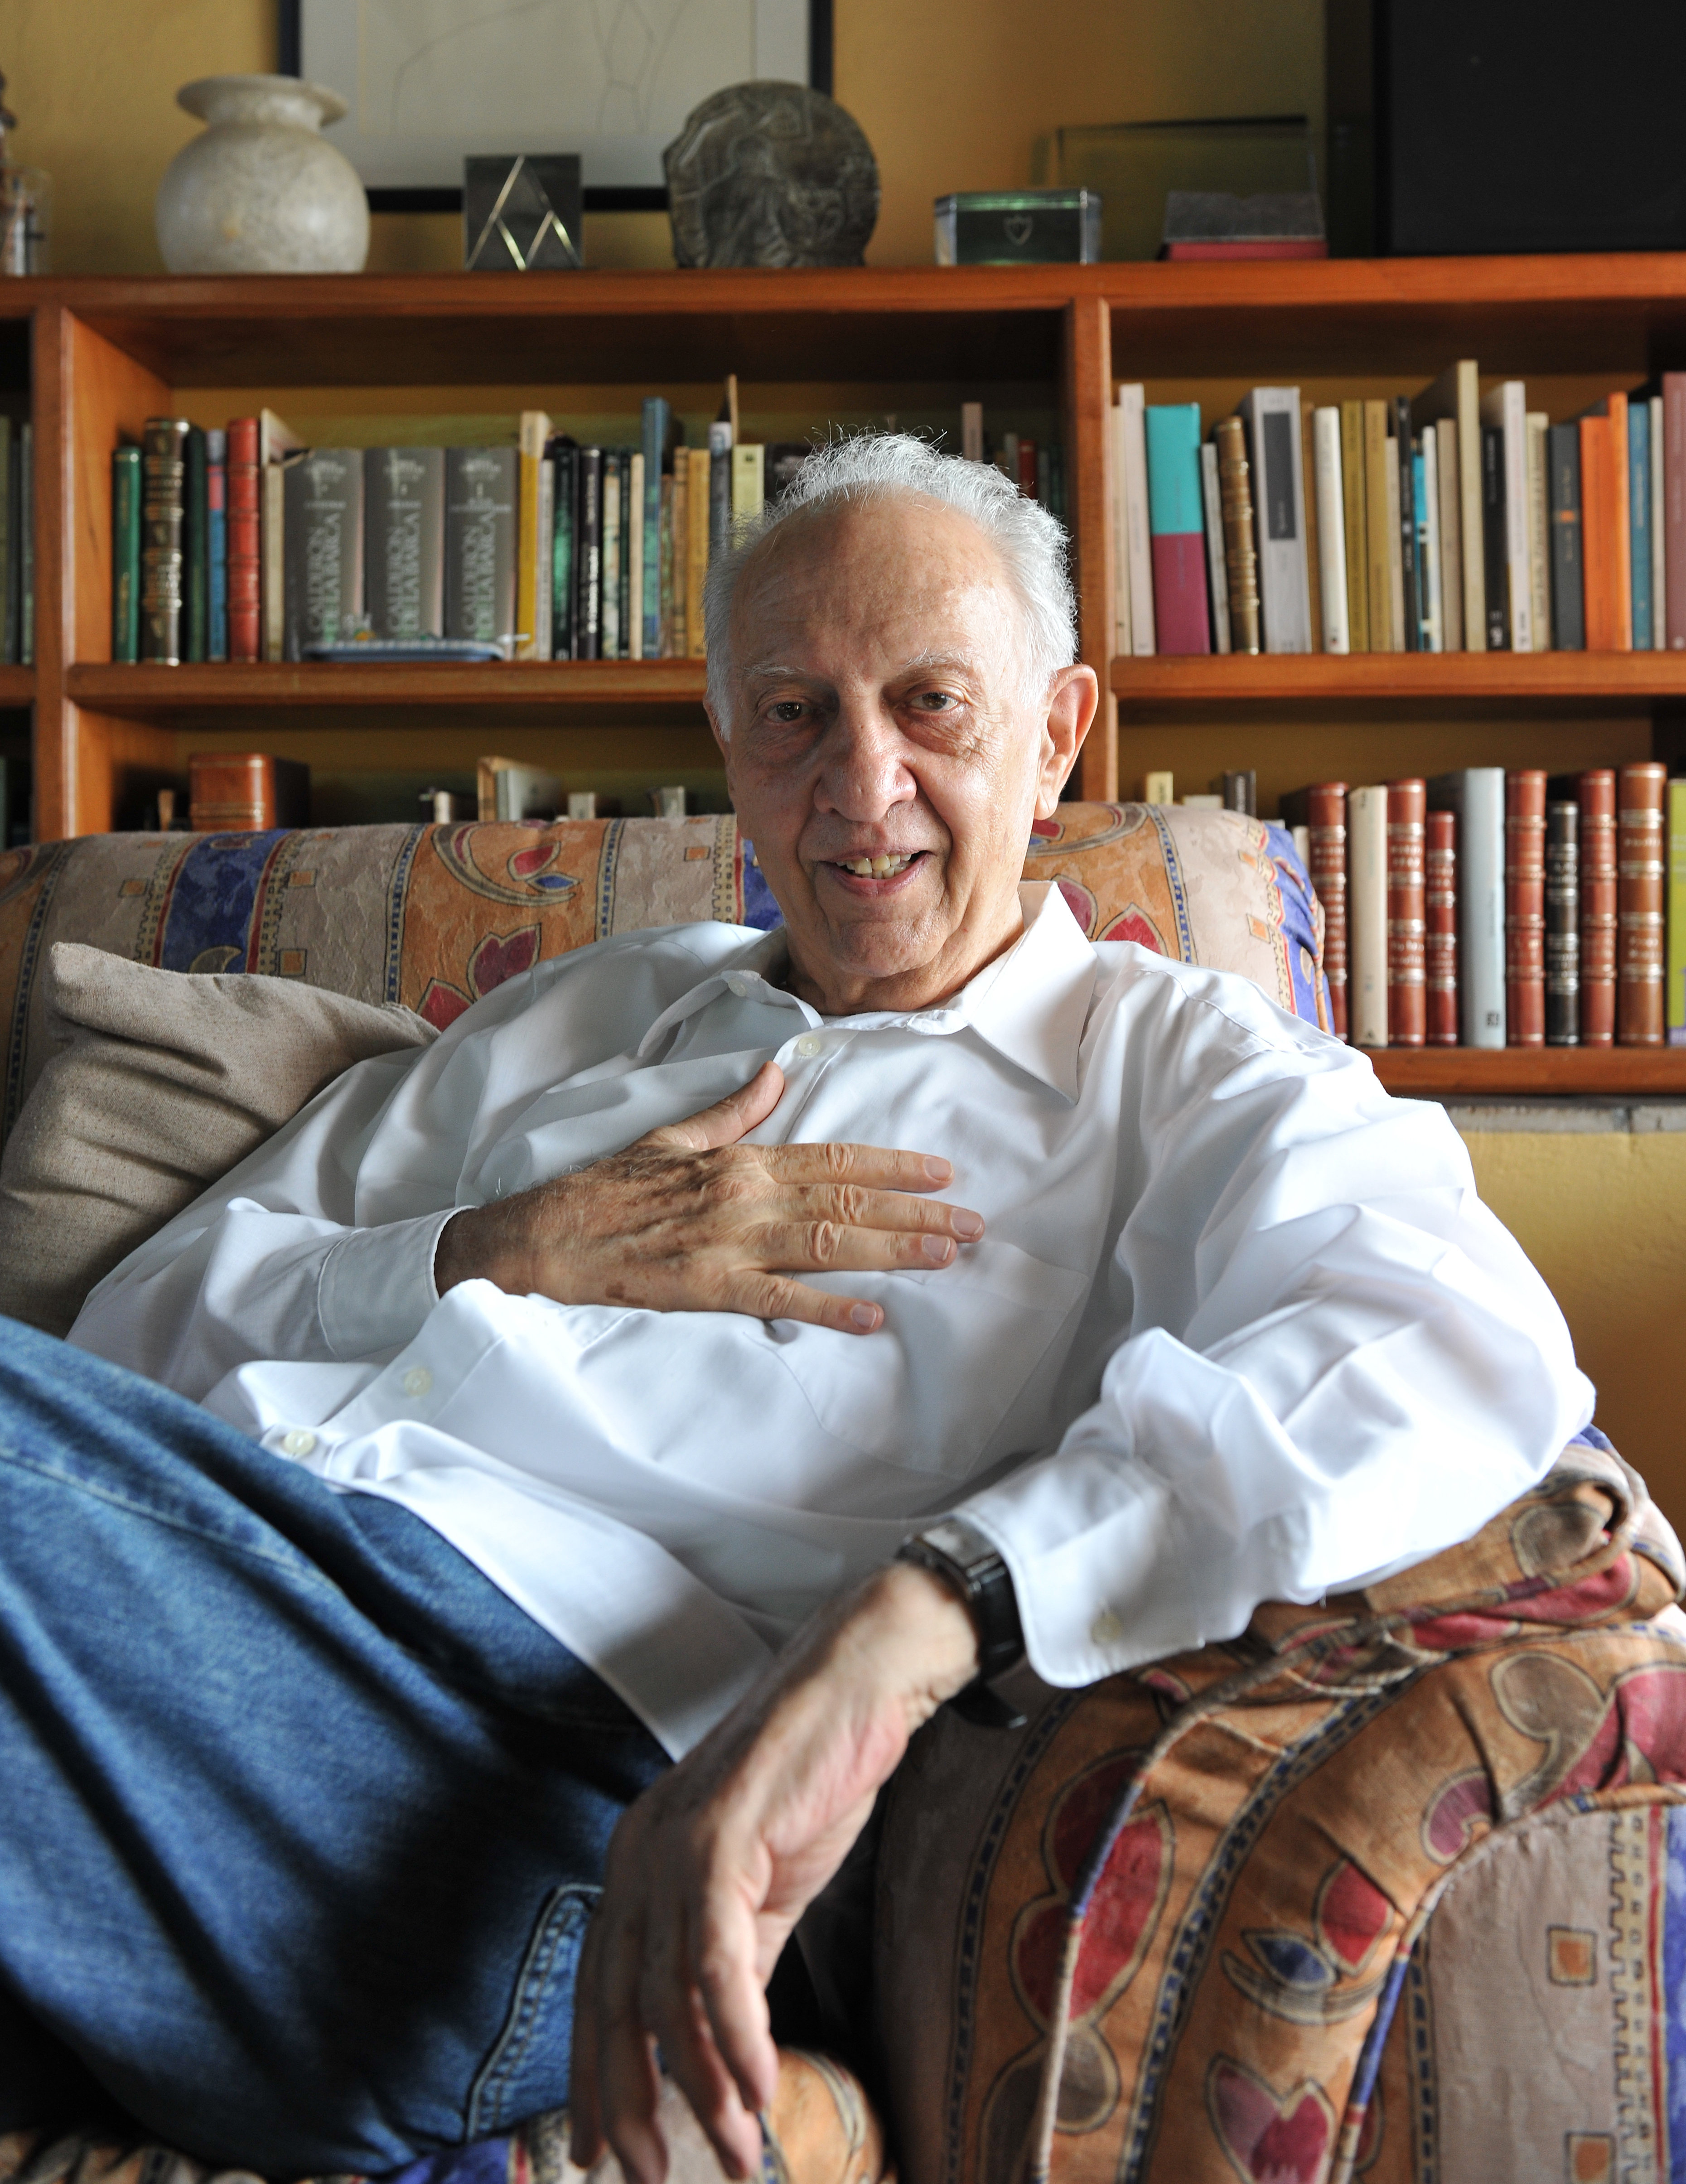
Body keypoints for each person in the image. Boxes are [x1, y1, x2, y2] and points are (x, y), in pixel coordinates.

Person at [5, 437, 1587, 2184]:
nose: (861, 781)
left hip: (516, 1784)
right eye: (794, 714)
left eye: (929, 705)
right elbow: (126, 1336)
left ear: (1058, 728)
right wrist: (497, 1248)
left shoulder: (1171, 1066)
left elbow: (1438, 1340)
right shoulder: (588, 1015)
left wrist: (915, 1622)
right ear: (729, 750)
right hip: (171, 1620)